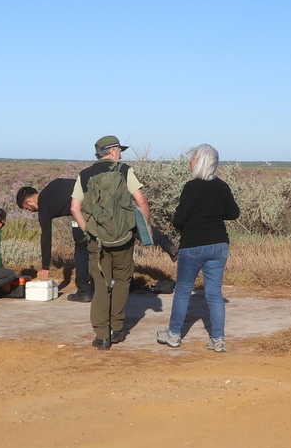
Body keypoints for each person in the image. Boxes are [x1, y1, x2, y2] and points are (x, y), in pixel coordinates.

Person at [71, 135, 152, 350]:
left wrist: (89, 231)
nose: (122, 154)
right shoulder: (124, 170)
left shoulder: (85, 174)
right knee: (123, 281)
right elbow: (141, 201)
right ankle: (118, 330)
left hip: (98, 241)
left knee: (101, 285)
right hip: (124, 238)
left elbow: (74, 208)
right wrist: (145, 230)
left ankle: (102, 336)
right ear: (112, 151)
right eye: (119, 150)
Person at [157, 144, 240, 352]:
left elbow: (179, 220)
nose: (189, 161)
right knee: (214, 293)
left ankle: (174, 335)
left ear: (200, 162)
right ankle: (218, 339)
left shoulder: (190, 187)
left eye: (192, 158)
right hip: (219, 245)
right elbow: (234, 213)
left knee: (183, 291)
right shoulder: (222, 187)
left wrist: (192, 220)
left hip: (193, 245)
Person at [16, 179, 93, 302]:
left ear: (29, 201)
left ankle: (84, 291)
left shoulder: (44, 206)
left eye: (27, 208)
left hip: (86, 211)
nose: (30, 211)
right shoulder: (54, 184)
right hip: (100, 204)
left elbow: (46, 237)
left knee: (81, 248)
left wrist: (45, 267)